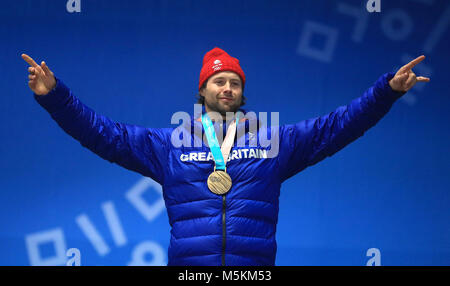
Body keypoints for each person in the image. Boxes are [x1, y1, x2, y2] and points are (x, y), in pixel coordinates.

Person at [22, 47, 430, 266]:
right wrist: (56, 98)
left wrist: (386, 92)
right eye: (219, 81)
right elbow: (103, 134)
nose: (228, 88)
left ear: (242, 92)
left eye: (234, 82)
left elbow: (337, 127)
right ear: (203, 91)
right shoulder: (169, 145)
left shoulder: (276, 142)